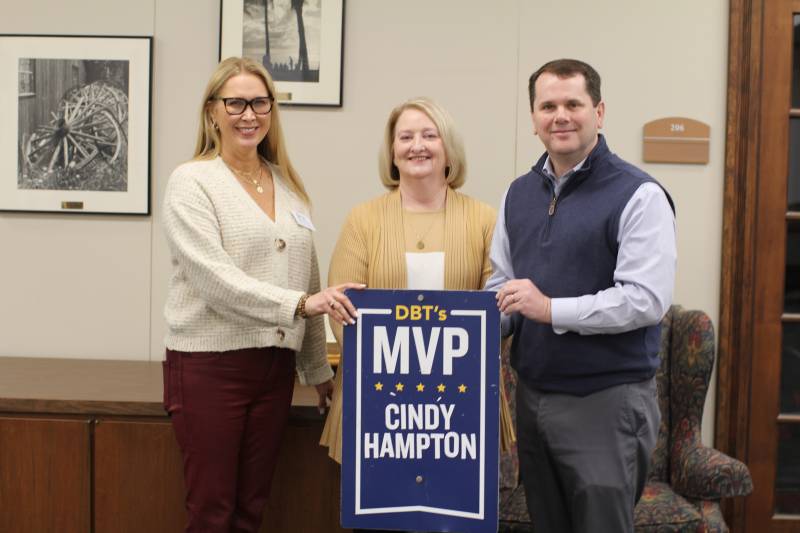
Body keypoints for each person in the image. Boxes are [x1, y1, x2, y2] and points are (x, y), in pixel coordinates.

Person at [161, 56, 361, 533]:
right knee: (212, 514)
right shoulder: (191, 182)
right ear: (212, 111)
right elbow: (213, 278)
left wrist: (316, 371)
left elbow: (309, 282)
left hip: (274, 370)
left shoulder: (286, 185)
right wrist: (296, 305)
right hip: (211, 368)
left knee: (251, 511)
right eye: (235, 103)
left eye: (259, 102)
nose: (248, 114)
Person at [486, 59, 676, 533]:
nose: (560, 116)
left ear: (600, 111)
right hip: (534, 399)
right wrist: (456, 322)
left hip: (606, 403)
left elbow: (644, 300)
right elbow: (502, 287)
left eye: (574, 103)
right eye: (547, 106)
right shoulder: (517, 195)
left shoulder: (639, 195)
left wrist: (549, 309)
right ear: (533, 118)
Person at [320, 97, 513, 532]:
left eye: (429, 135)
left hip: (460, 416)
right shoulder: (363, 219)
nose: (417, 145)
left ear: (449, 148)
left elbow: (499, 306)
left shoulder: (485, 220)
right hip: (379, 414)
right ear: (391, 151)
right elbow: (340, 307)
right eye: (405, 137)